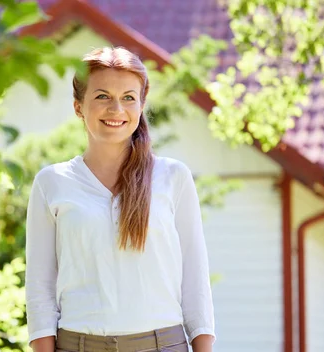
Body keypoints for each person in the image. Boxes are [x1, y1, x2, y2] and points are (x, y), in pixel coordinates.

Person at [25, 47, 215, 352]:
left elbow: (195, 277)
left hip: (163, 344)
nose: (117, 109)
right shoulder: (52, 183)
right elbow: (40, 287)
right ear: (78, 107)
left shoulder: (173, 177)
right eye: (102, 96)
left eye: (128, 97)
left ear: (141, 105)